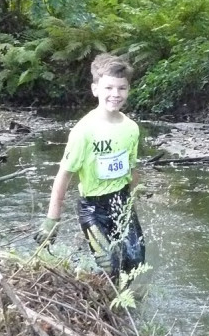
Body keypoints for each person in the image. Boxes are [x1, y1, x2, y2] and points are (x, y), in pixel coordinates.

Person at [34, 53, 145, 279]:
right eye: (108, 88)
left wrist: (135, 199)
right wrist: (52, 220)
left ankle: (123, 307)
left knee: (135, 261)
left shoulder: (131, 128)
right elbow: (63, 176)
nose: (115, 94)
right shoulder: (84, 131)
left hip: (122, 202)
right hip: (93, 209)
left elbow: (131, 168)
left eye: (122, 88)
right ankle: (101, 306)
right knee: (109, 266)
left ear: (128, 90)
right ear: (95, 89)